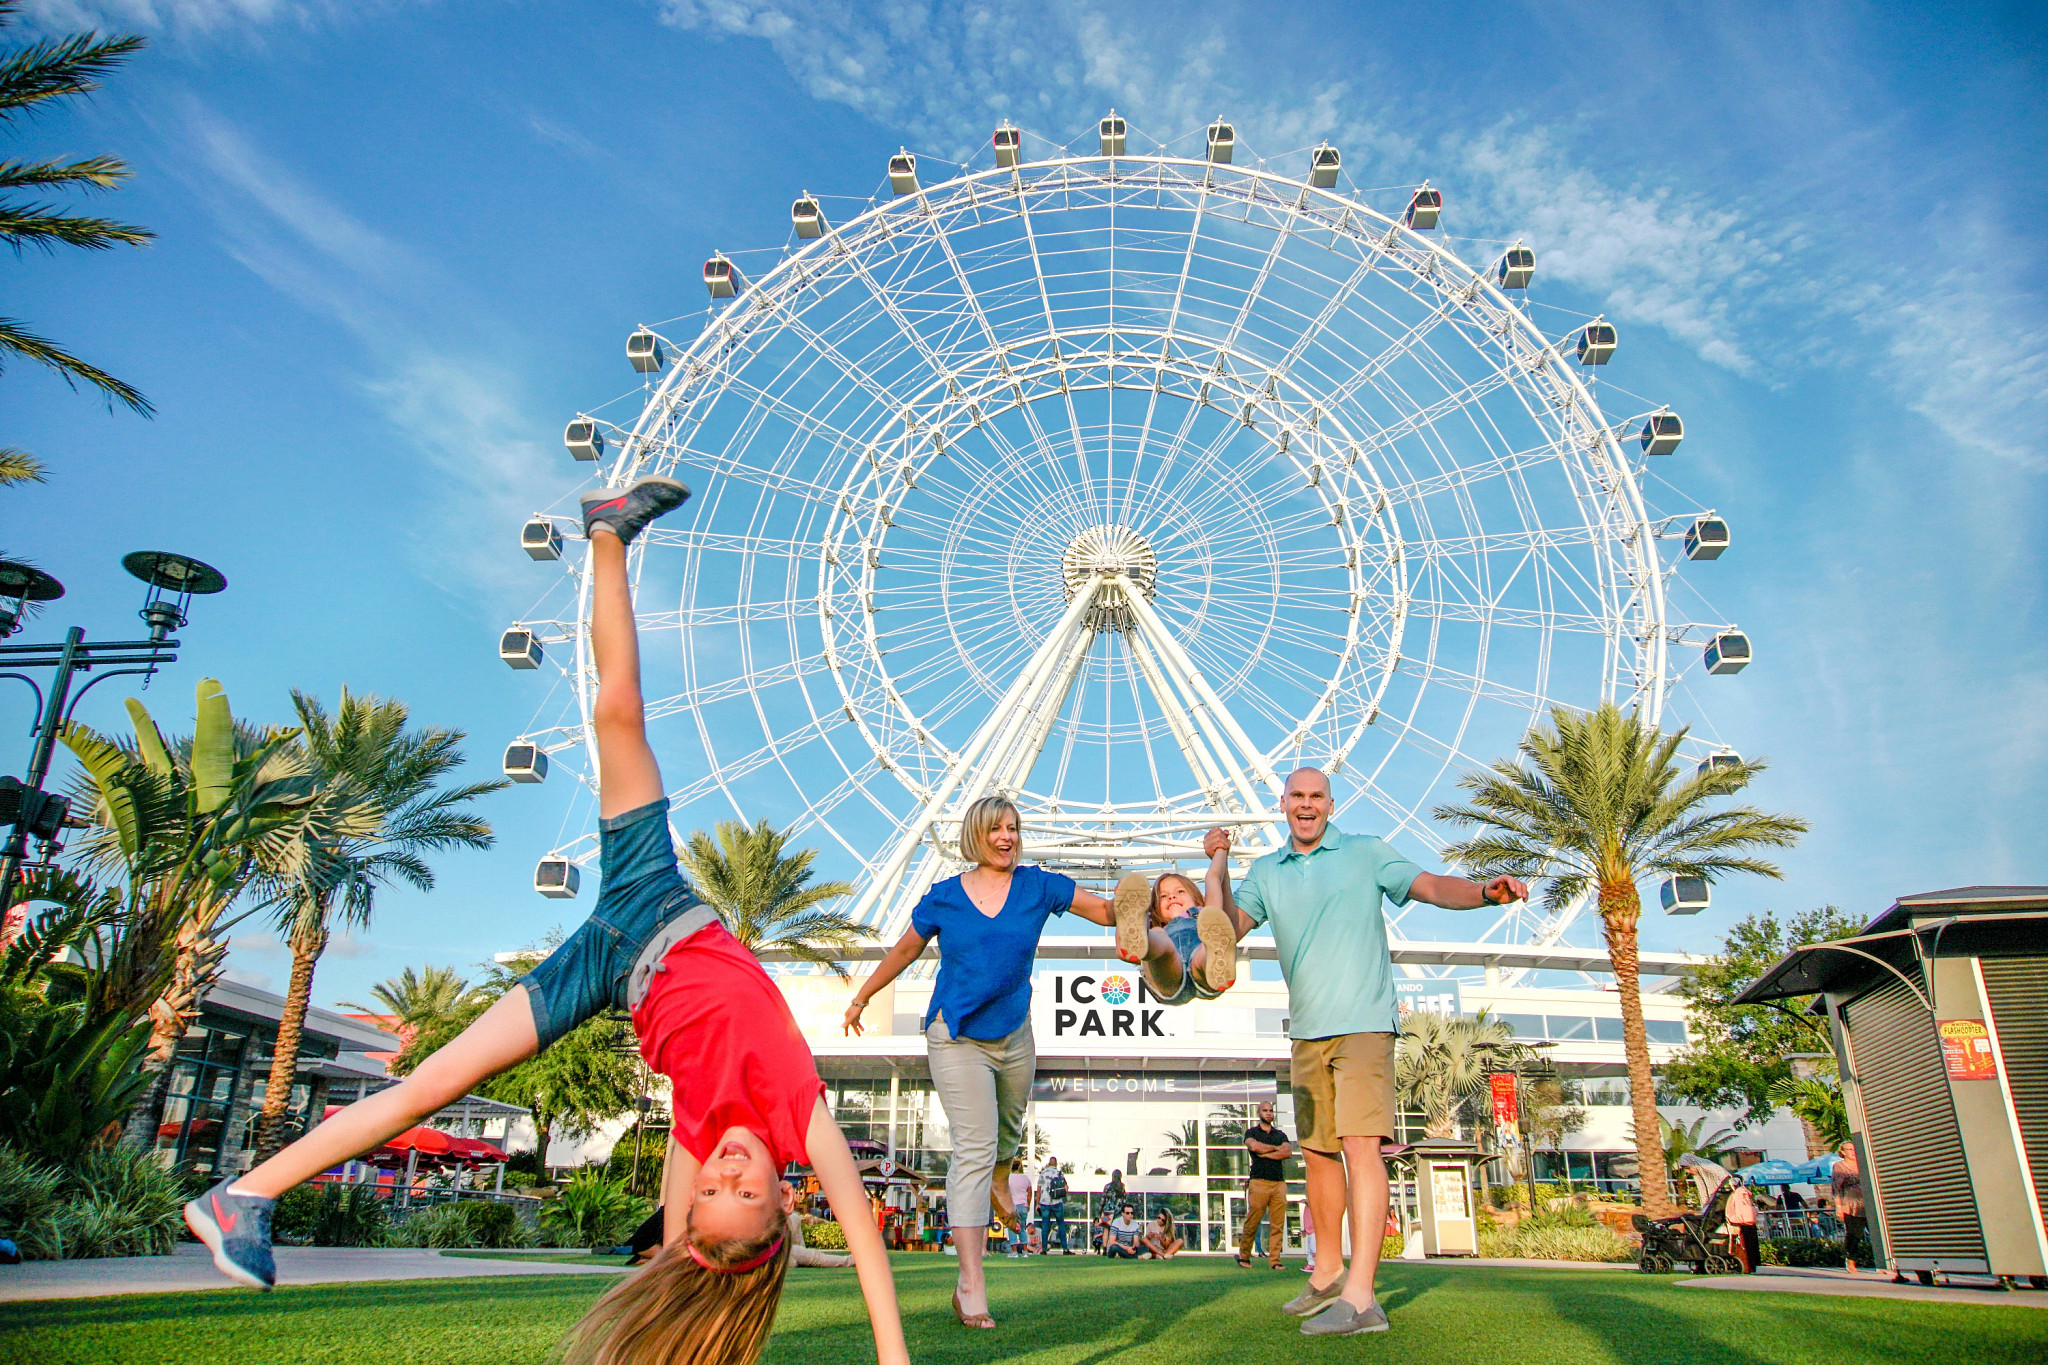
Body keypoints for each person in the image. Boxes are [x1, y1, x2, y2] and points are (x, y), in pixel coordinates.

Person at [181, 478, 908, 1365]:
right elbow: (868, 1246)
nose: (726, 1171)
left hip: (605, 964)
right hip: (660, 903)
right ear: (787, 1201)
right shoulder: (804, 1119)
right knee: (617, 712)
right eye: (745, 1191)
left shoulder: (693, 1133)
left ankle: (241, 1195)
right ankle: (607, 536)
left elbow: (682, 1240)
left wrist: (677, 1262)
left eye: (712, 1191)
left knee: (430, 1082)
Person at [1203, 767, 1526, 1337]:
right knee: (1319, 1153)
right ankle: (1326, 1272)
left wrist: (1481, 893)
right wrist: (1219, 864)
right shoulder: (1267, 873)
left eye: (1316, 797)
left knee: (1359, 1147)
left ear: (1331, 803)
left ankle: (1362, 1296)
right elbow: (1225, 931)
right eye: (1297, 796)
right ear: (1282, 804)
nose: (1306, 805)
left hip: (1364, 1024)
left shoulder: (1366, 853)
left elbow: (1428, 885)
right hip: (1306, 1030)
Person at [844, 801, 1129, 1328]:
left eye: (1014, 829)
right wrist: (863, 996)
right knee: (972, 1147)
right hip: (955, 1036)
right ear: (976, 835)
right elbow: (905, 951)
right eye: (997, 829)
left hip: (1014, 1035)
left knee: (1009, 1129)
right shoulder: (945, 897)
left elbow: (1110, 911)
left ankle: (1003, 1172)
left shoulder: (1039, 886)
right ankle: (970, 1282)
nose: (1007, 838)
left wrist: (1156, 905)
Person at [1111, 844, 1239, 1002]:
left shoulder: (1206, 916)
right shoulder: (1158, 929)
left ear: (1197, 899)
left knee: (1205, 947)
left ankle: (1218, 958)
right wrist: (1125, 902)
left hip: (1204, 971)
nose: (1172, 897)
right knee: (1158, 938)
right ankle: (1137, 926)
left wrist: (1221, 849)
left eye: (1180, 892)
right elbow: (1124, 952)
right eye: (1163, 896)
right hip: (1167, 977)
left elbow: (1213, 877)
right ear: (1154, 908)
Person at [1238, 1099, 1293, 1269]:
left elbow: (1287, 1152)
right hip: (1258, 1182)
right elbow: (1254, 1147)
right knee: (1253, 1221)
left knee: (1277, 1224)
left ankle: (1275, 1260)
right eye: (1265, 1110)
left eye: (1270, 1110)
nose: (1268, 1113)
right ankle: (1244, 1256)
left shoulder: (1280, 1135)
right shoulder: (1251, 1132)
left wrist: (1266, 1152)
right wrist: (1276, 1149)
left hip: (1278, 1184)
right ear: (1258, 1113)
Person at [1831, 1140, 1867, 1273]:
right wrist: (1839, 1207)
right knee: (1854, 1234)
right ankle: (1850, 1259)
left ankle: (1883, 1263)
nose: (1852, 1152)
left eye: (1854, 1149)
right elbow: (1836, 1188)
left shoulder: (1863, 1163)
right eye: (1849, 1149)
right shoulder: (1840, 1166)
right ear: (1843, 1152)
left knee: (1878, 1234)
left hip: (1868, 1203)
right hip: (1851, 1205)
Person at [1036, 1157, 1071, 1254]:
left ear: (1048, 1163)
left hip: (1045, 1202)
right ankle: (1065, 1249)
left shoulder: (1043, 1173)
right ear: (1056, 1164)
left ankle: (1043, 1249)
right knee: (1061, 1224)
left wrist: (1037, 1203)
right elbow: (1066, 1188)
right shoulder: (1059, 1173)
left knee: (1045, 1225)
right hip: (1057, 1202)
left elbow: (1039, 1189)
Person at [1005, 1165, 1034, 1257]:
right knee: (1022, 1228)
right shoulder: (1025, 1178)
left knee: (1012, 1228)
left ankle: (1014, 1252)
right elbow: (1029, 1193)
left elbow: (1004, 1191)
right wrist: (1028, 1204)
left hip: (1012, 1205)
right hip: (1023, 1205)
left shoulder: (1008, 1178)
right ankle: (1025, 1251)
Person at [1300, 1196, 1317, 1272]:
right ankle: (1311, 1264)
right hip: (1310, 1230)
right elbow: (1307, 1220)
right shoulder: (1307, 1209)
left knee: (1314, 1249)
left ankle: (1316, 1264)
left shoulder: (1315, 1208)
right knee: (1310, 1249)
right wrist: (1305, 1230)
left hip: (1314, 1230)